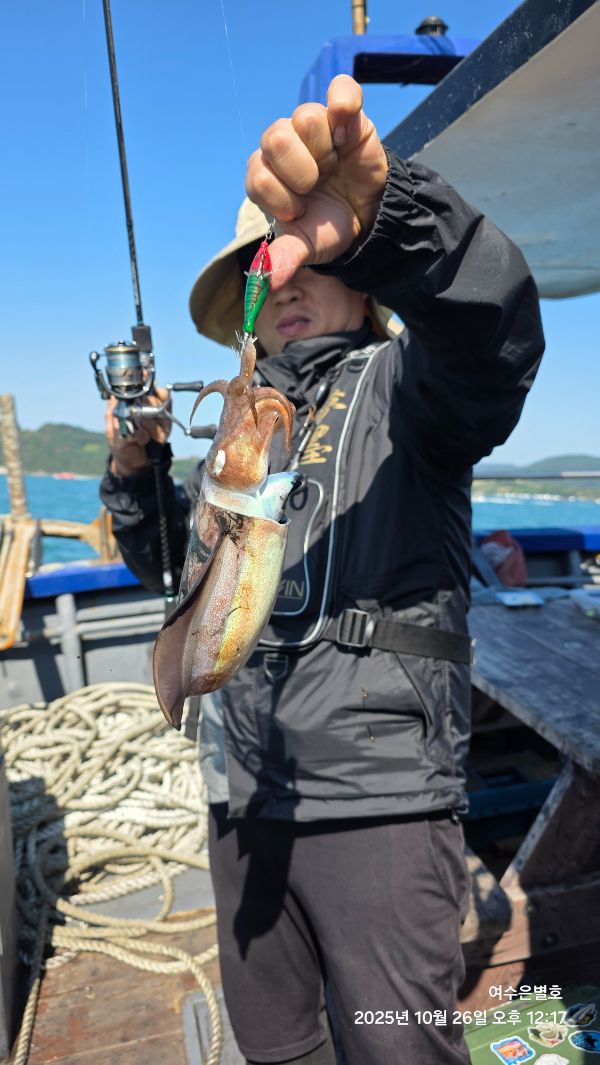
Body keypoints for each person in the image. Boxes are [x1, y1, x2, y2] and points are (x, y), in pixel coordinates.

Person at [101, 76, 544, 1065]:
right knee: (276, 1045)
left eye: (311, 255)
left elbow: (492, 335)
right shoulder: (238, 432)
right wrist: (135, 471)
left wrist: (391, 222)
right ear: (247, 310)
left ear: (362, 277)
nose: (288, 281)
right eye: (264, 271)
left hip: (380, 804)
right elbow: (173, 571)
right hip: (240, 796)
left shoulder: (409, 391)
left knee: (395, 1046)